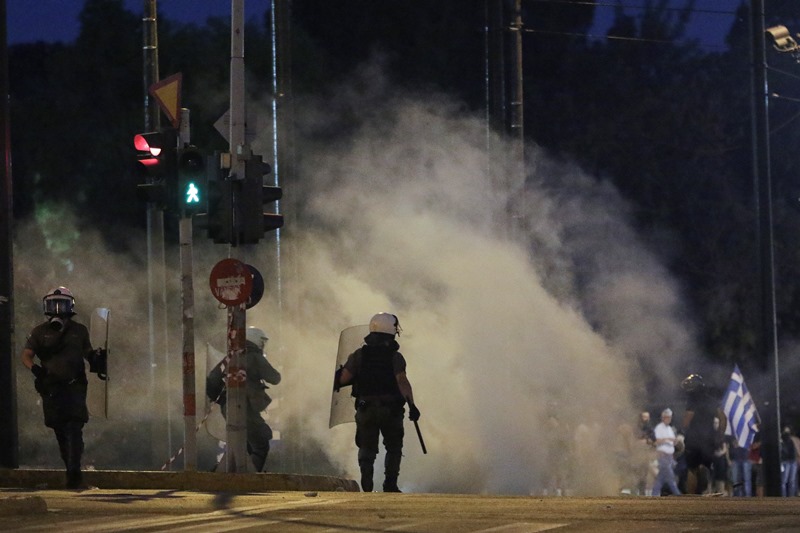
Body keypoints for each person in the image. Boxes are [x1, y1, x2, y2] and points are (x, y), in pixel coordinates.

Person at [20, 287, 107, 489]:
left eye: (62, 305)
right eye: (54, 305)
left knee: (74, 427)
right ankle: (71, 468)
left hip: (74, 385)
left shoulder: (79, 330)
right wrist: (35, 369)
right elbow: (26, 355)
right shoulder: (39, 332)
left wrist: (97, 358)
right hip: (51, 387)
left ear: (71, 307)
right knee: (60, 430)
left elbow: (88, 353)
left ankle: (74, 473)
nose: (58, 310)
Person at [334, 312, 420, 492]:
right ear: (391, 330)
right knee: (394, 447)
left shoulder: (359, 355)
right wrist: (412, 405)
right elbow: (402, 381)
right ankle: (390, 485)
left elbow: (343, 378)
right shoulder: (396, 357)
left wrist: (337, 377)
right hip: (391, 410)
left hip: (366, 408)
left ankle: (367, 484)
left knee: (367, 448)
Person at [206, 326, 281, 472]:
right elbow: (275, 377)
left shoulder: (230, 357)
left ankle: (219, 475)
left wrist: (221, 400)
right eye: (262, 342)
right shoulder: (254, 356)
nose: (263, 345)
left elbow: (212, 380)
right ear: (255, 340)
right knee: (260, 442)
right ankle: (251, 476)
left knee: (242, 444)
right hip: (247, 407)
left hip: (227, 407)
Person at [680, 373, 727, 494]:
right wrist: (719, 435)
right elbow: (723, 419)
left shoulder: (692, 400)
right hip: (709, 439)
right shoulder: (712, 400)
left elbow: (687, 419)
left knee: (692, 469)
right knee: (706, 466)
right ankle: (705, 491)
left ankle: (692, 497)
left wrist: (683, 431)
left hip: (693, 439)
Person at [651, 408, 681, 496]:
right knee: (671, 478)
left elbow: (672, 441)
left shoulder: (670, 429)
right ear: (663, 418)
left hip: (669, 457)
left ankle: (654, 495)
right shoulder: (659, 428)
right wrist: (667, 439)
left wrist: (675, 441)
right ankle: (679, 496)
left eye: (670, 417)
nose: (669, 419)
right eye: (667, 417)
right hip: (662, 456)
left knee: (660, 479)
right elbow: (656, 441)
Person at [780, 426, 797, 497]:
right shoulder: (781, 440)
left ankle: (791, 498)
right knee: (784, 482)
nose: (787, 432)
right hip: (785, 461)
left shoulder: (791, 440)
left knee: (791, 482)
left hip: (792, 461)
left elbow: (793, 451)